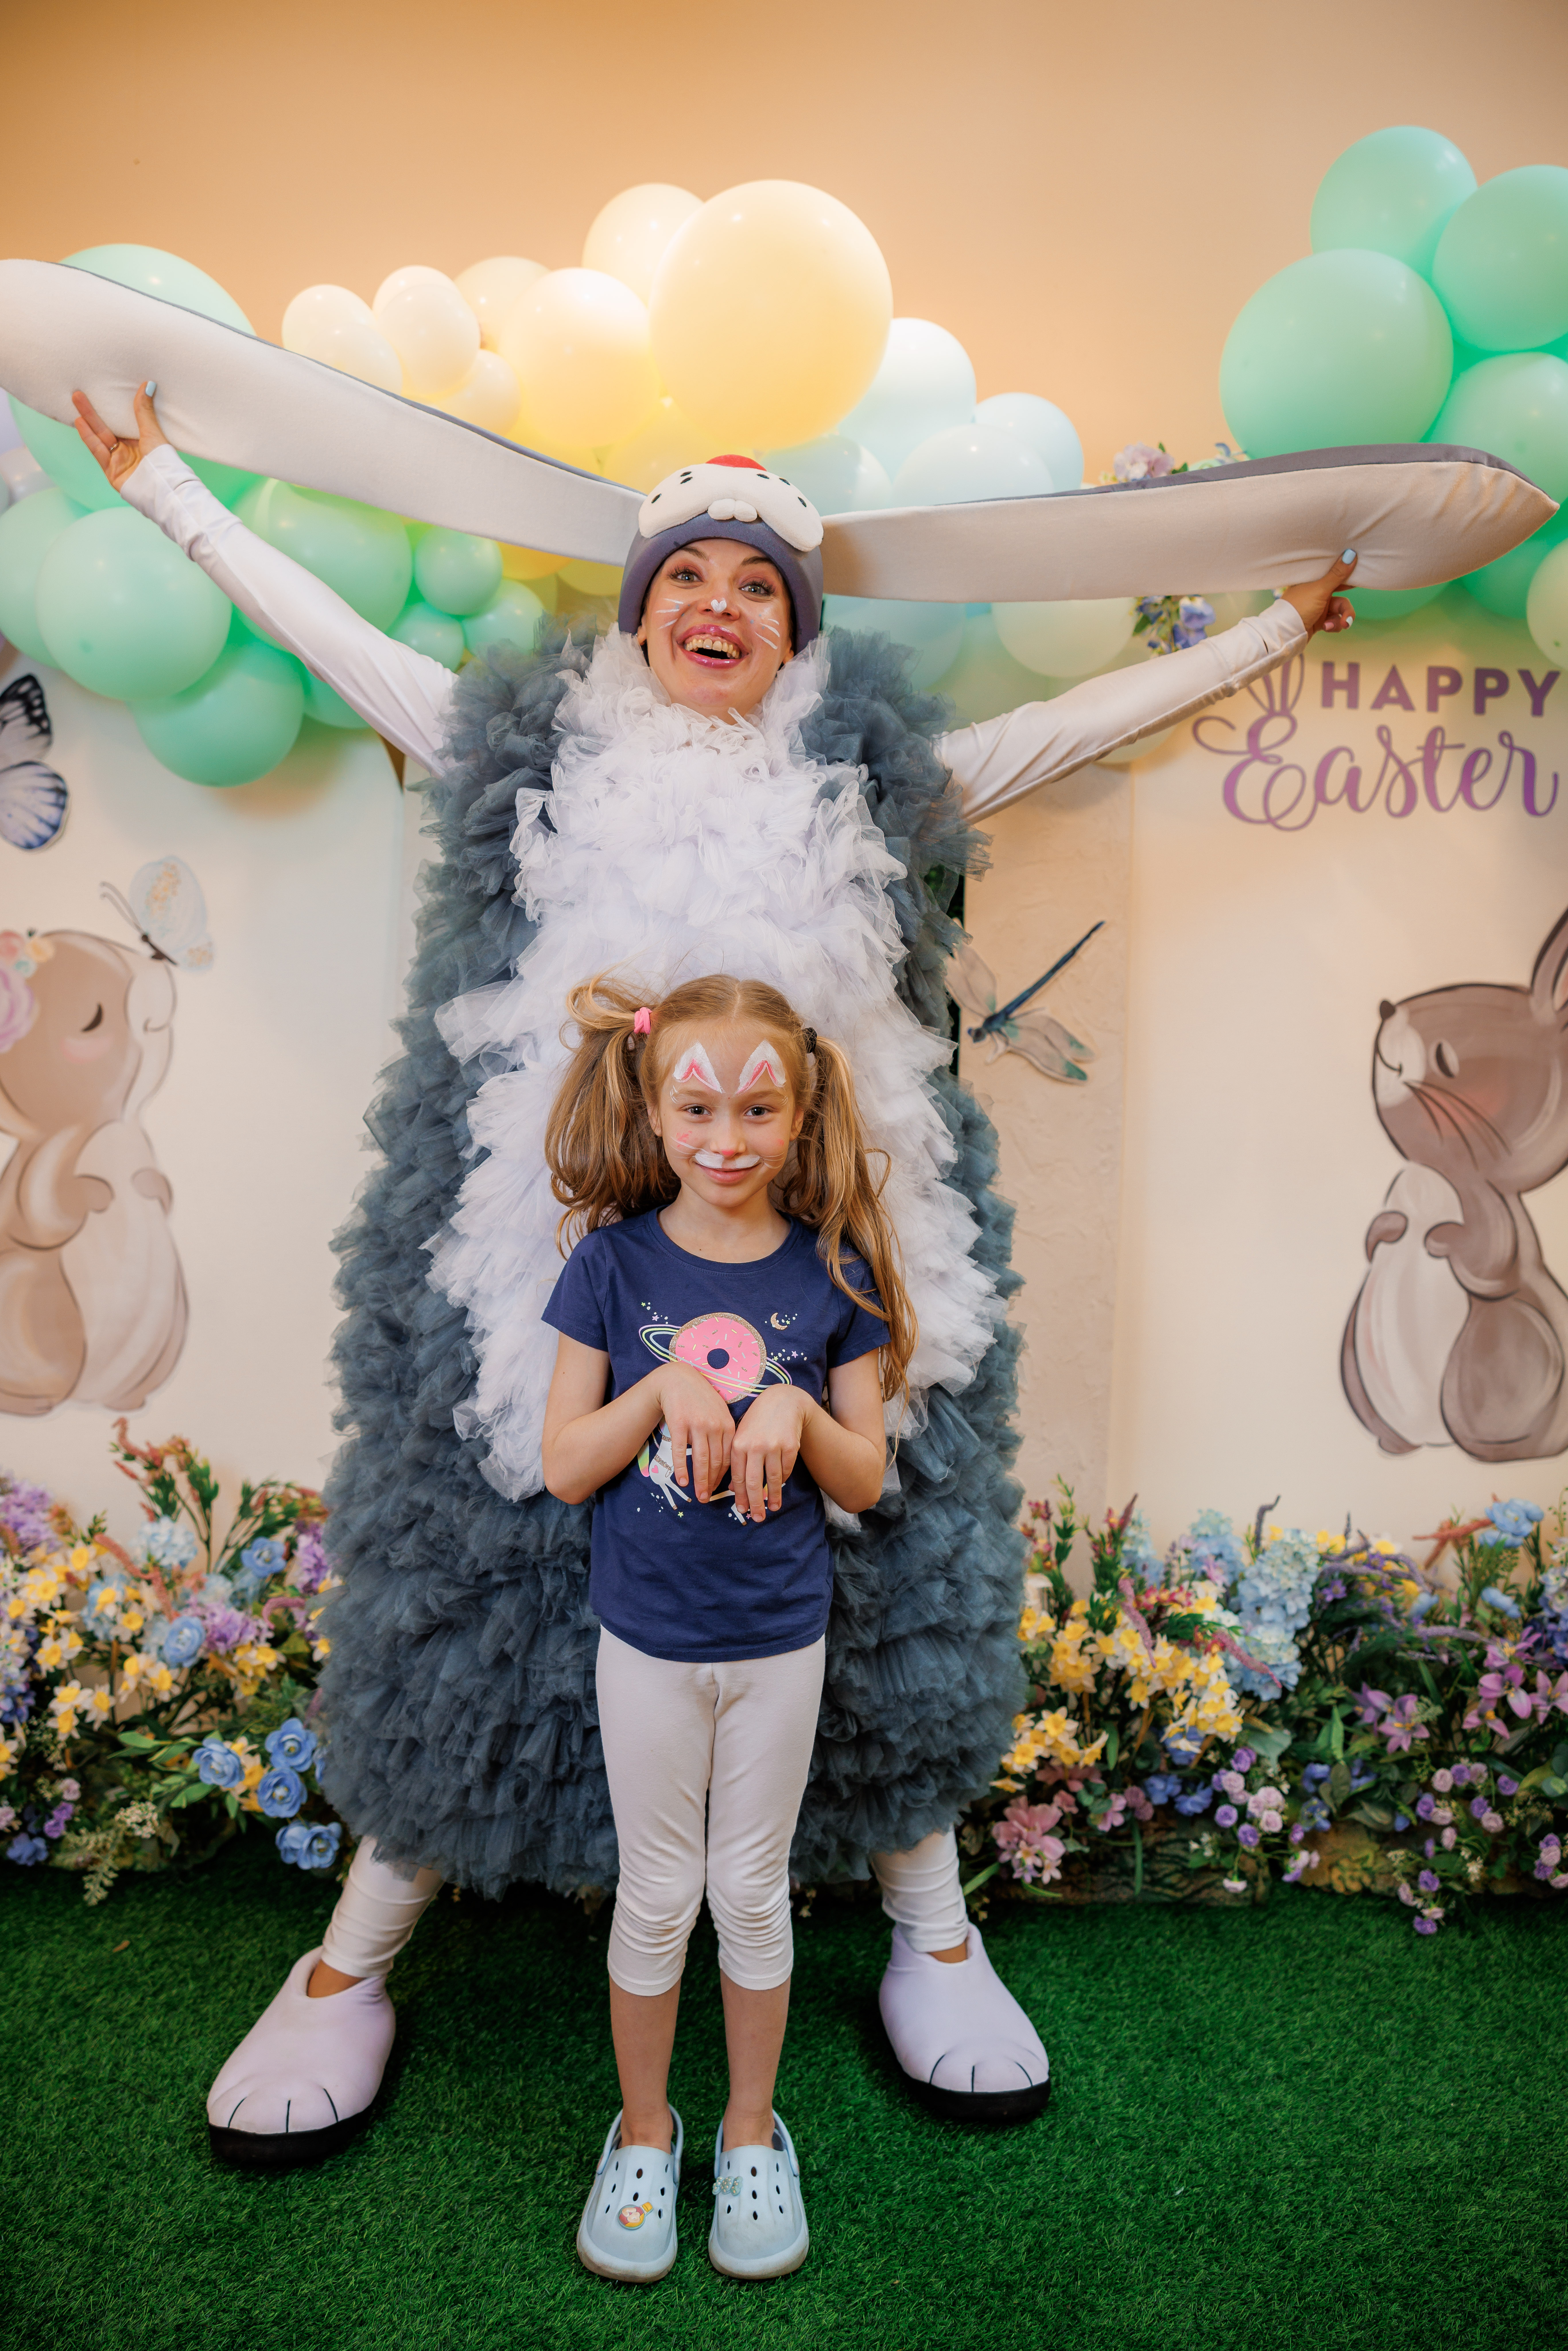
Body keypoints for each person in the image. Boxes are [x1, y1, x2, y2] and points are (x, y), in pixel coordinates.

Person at [73, 385, 1355, 2170]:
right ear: (641, 610)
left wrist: (1277, 628)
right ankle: (347, 1959)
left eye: (758, 581)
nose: (720, 601)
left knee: (868, 1559)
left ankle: (934, 1925)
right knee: (488, 1569)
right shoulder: (530, 763)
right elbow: (341, 640)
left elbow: (1067, 728)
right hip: (548, 1242)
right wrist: (162, 488)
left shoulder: (868, 786)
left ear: (792, 633)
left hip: (824, 1244)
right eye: (689, 570)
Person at [539, 969, 911, 2280]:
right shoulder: (612, 1263)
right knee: (657, 1894)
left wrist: (793, 1414)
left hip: (777, 1642)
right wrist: (662, 1389)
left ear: (800, 1117)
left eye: (759, 1110)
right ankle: (647, 2131)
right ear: (652, 1111)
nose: (726, 1139)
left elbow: (862, 1477)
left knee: (750, 1890)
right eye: (696, 1108)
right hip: (644, 1639)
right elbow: (567, 1462)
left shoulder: (832, 1272)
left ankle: (751, 2131)